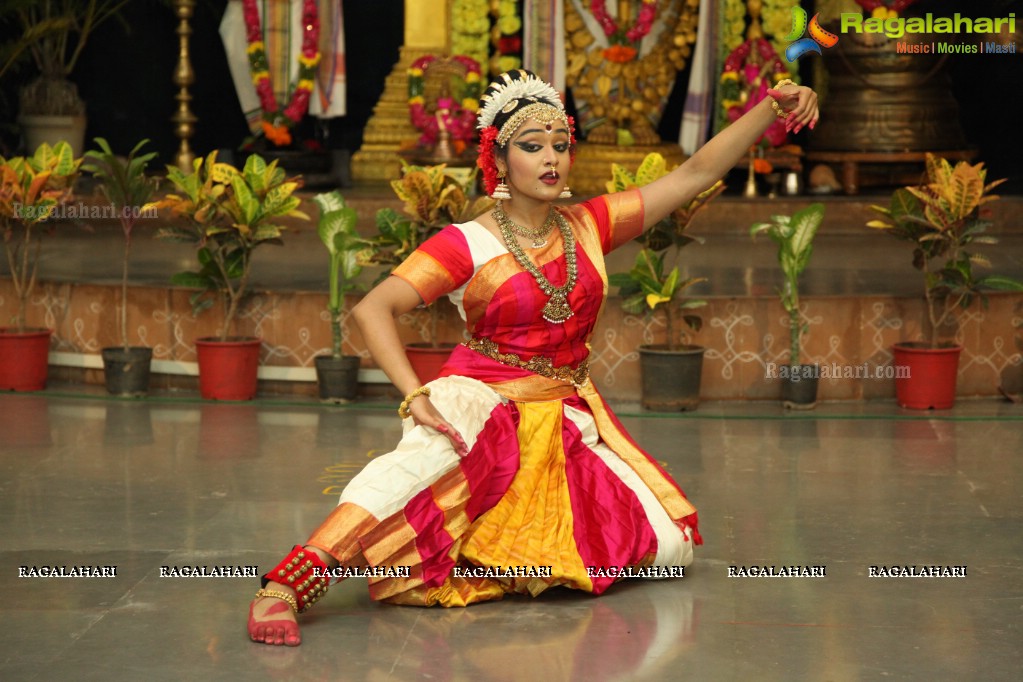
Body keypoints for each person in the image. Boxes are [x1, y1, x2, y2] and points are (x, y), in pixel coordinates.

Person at [248, 69, 819, 646]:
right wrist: (415, 395)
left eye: (560, 145)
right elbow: (373, 309)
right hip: (483, 398)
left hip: (565, 411)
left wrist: (770, 108)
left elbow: (696, 172)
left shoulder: (590, 225)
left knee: (666, 546)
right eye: (532, 146)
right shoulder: (466, 243)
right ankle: (286, 586)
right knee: (410, 475)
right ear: (500, 160)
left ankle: (479, 552)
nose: (552, 159)